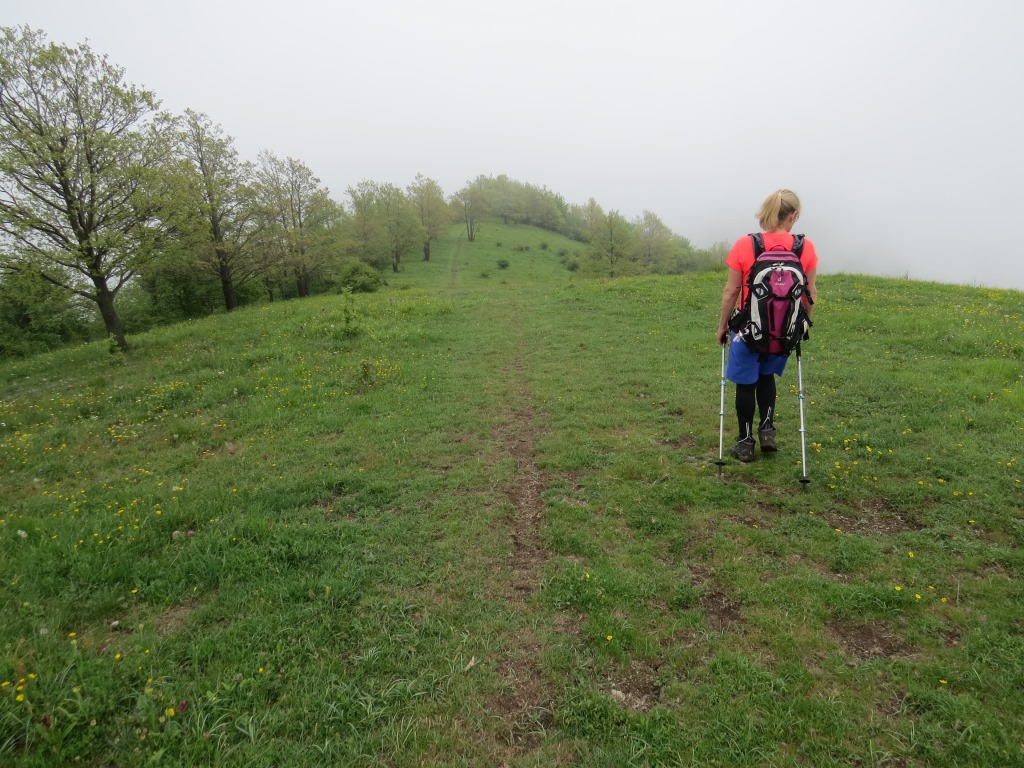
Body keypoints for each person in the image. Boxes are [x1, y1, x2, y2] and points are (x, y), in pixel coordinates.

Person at [715, 189, 818, 462]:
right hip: (783, 332)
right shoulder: (804, 247)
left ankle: (746, 442)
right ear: (793, 216)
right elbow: (811, 292)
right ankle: (767, 431)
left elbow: (730, 291)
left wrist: (723, 326)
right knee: (766, 378)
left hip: (750, 330)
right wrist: (804, 322)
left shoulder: (745, 245)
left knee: (746, 385)